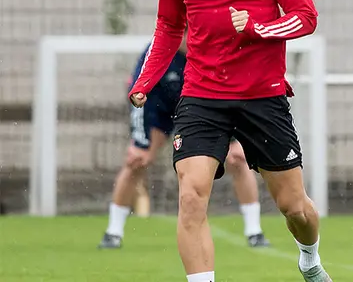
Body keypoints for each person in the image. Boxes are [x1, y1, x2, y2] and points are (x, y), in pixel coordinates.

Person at [128, 0, 329, 282]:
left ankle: (309, 258)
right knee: (191, 196)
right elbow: (168, 27)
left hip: (262, 94)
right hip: (202, 95)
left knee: (294, 207)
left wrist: (258, 27)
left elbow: (305, 16)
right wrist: (145, 81)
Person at [98, 37, 271, 250]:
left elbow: (231, 91)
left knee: (237, 158)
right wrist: (142, 141)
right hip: (160, 109)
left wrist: (234, 137)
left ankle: (254, 231)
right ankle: (113, 232)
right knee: (137, 160)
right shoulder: (158, 49)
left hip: (202, 110)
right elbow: (138, 91)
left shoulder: (213, 48)